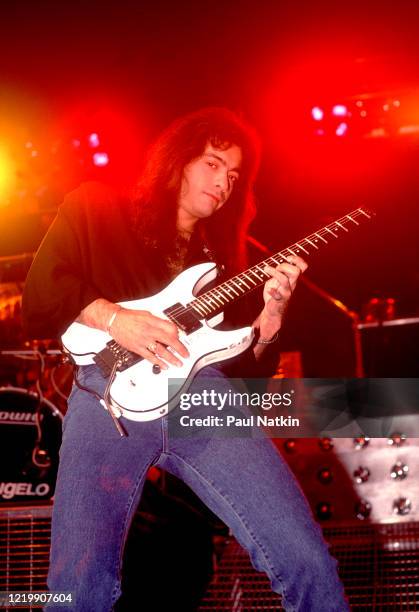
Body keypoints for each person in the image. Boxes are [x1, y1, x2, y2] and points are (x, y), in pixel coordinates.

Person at [22, 107, 349, 611]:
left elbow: (252, 369)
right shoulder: (96, 205)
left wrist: (272, 319)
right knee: (78, 585)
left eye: (234, 175)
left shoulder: (227, 260)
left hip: (203, 396)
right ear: (178, 159)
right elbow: (41, 293)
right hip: (106, 399)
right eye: (215, 164)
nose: (224, 183)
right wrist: (115, 319)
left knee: (306, 559)